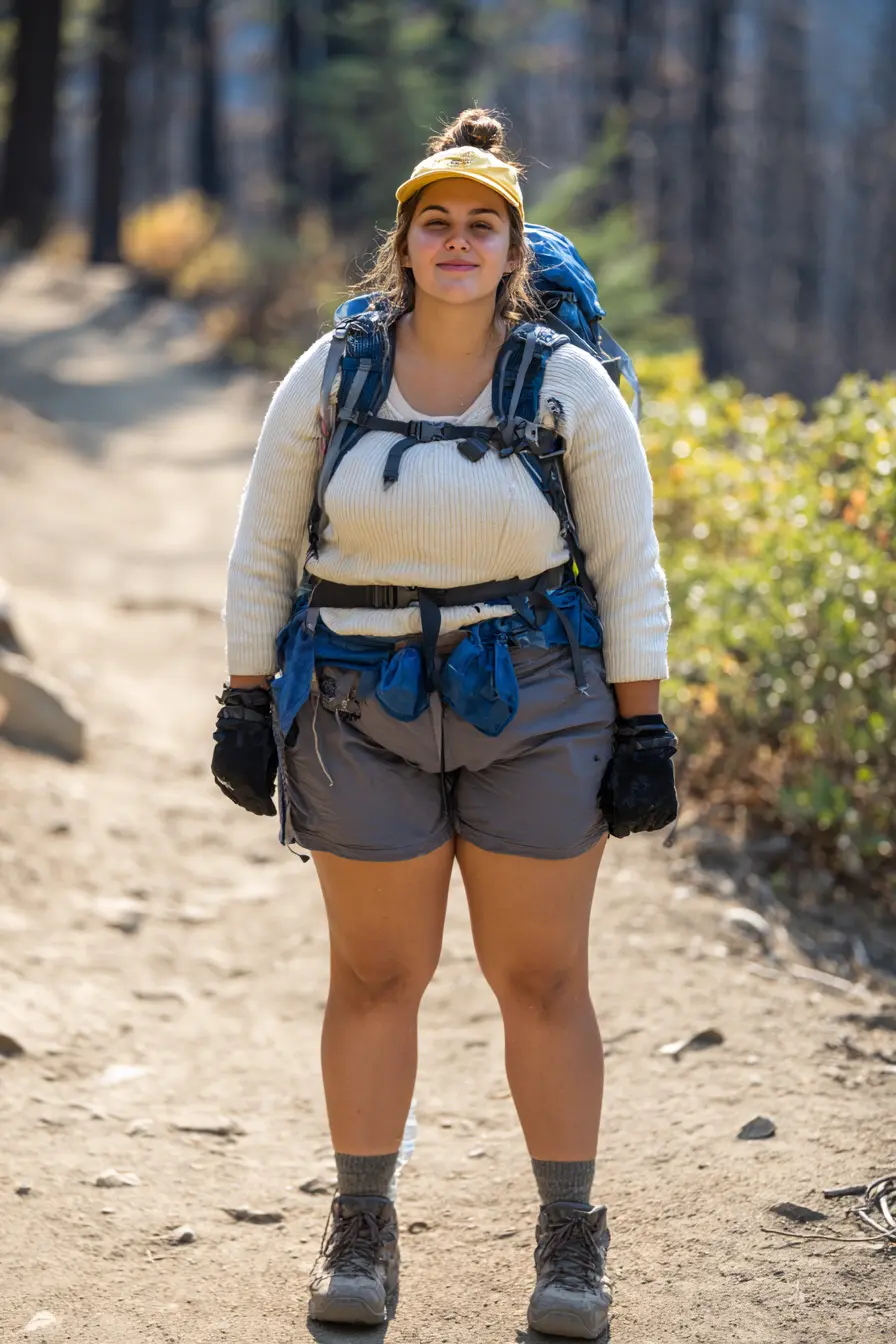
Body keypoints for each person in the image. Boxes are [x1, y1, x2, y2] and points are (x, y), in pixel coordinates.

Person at [213, 108, 676, 1341]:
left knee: (540, 976)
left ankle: (569, 1244)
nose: (458, 243)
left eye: (481, 226)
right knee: (374, 976)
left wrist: (642, 732)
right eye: (437, 225)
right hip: (355, 709)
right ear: (404, 245)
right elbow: (262, 550)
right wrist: (242, 700)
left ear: (511, 250)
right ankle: (361, 1229)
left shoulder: (564, 383)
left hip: (538, 705)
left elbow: (629, 570)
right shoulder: (332, 372)